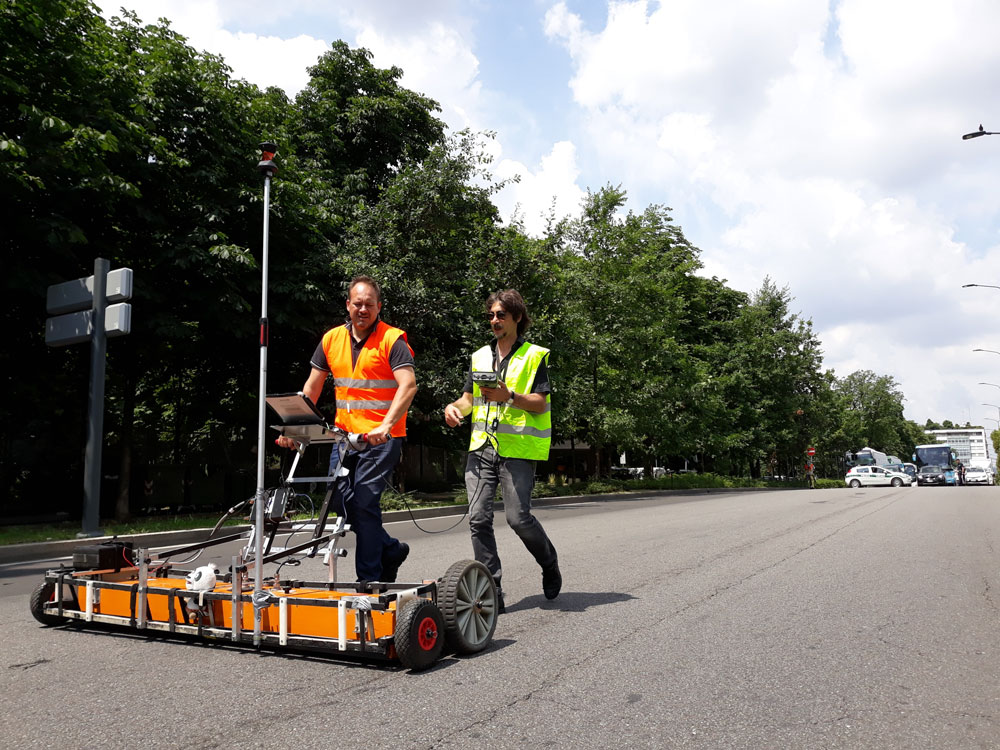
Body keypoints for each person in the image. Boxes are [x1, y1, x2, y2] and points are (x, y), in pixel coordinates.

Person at [277, 276, 417, 583]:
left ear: (379, 307)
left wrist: (387, 424)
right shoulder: (331, 340)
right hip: (344, 438)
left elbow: (408, 386)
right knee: (340, 502)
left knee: (364, 501)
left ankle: (368, 579)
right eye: (358, 303)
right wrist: (295, 430)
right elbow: (311, 389)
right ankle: (390, 549)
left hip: (381, 438)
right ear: (348, 305)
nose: (363, 309)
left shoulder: (393, 341)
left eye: (369, 304)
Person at [444, 289, 560, 613]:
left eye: (501, 315)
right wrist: (454, 409)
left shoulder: (533, 356)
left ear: (517, 318)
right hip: (481, 448)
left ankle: (549, 563)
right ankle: (492, 590)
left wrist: (510, 397)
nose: (495, 320)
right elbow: (468, 399)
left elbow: (540, 403)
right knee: (478, 519)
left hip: (517, 450)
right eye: (491, 315)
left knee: (518, 519)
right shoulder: (480, 356)